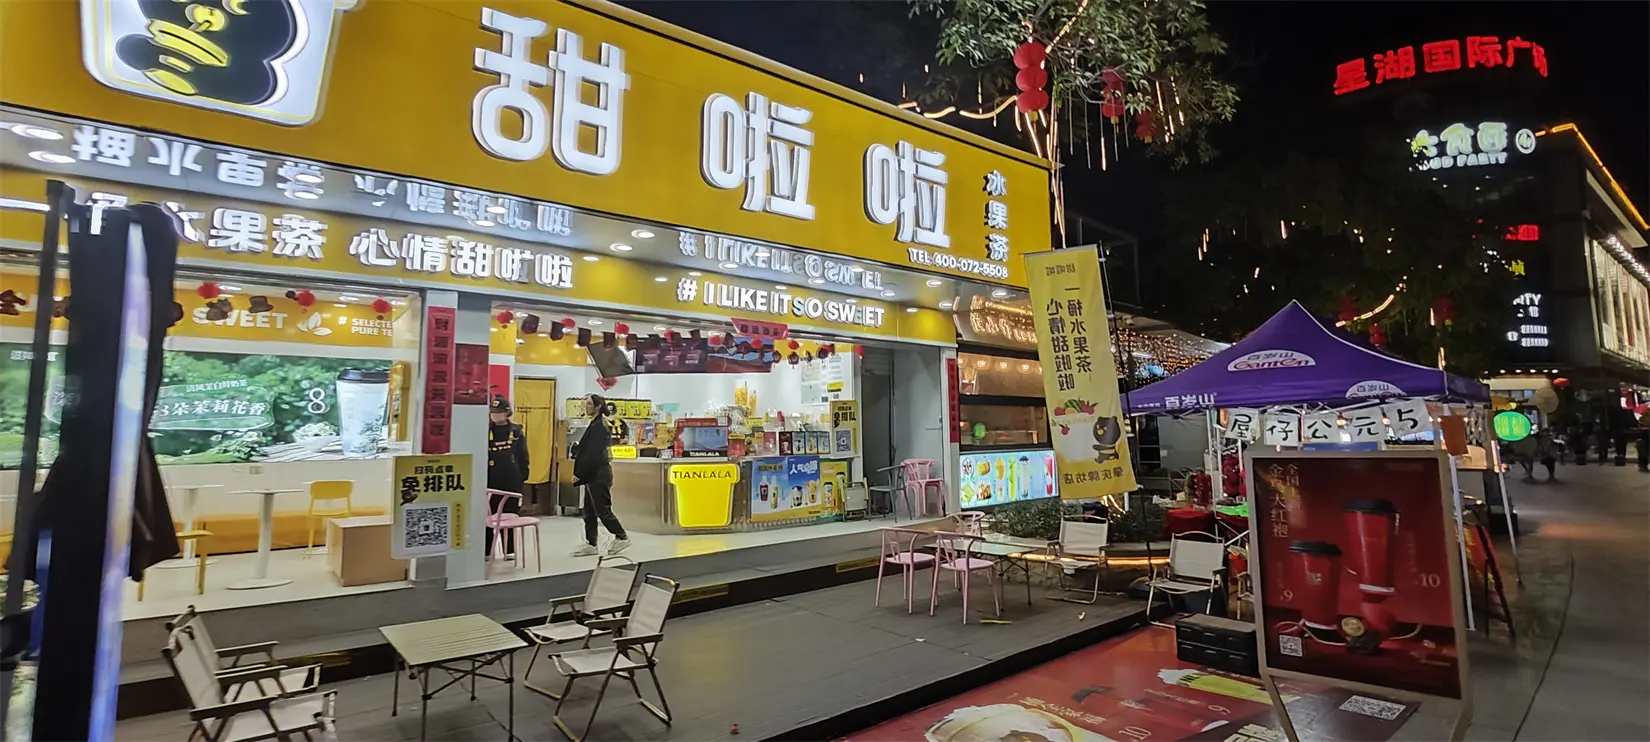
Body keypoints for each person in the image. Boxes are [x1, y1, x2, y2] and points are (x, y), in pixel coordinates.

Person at [571, 393, 629, 556]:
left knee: (603, 510)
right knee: (589, 511)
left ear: (597, 406)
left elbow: (593, 454)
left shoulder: (600, 426)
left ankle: (621, 536)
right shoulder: (594, 424)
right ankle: (591, 543)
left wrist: (579, 474)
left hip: (599, 474)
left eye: (589, 404)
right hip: (592, 475)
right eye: (585, 403)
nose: (586, 406)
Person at [486, 396, 529, 559]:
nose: (495, 415)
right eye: (492, 412)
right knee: (489, 516)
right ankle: (487, 550)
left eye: (498, 412)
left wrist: (522, 477)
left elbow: (523, 456)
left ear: (506, 413)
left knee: (510, 515)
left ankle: (509, 549)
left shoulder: (516, 431)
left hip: (511, 481)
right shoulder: (486, 430)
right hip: (491, 480)